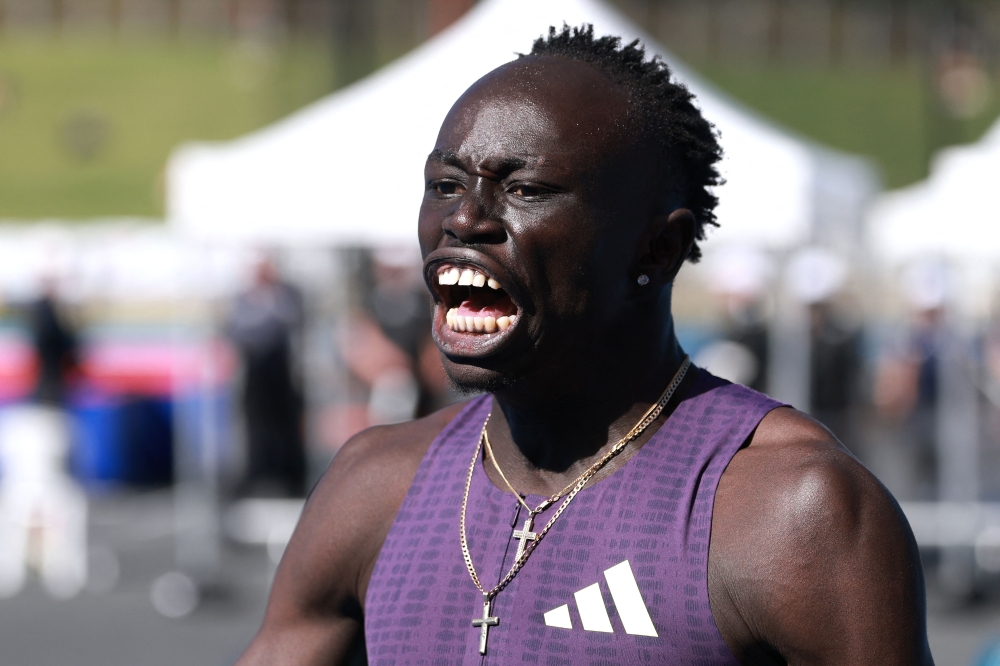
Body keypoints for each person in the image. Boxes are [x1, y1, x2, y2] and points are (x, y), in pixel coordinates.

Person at [237, 26, 933, 665]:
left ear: (657, 250)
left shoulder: (791, 510)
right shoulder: (373, 486)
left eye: (526, 188)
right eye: (445, 185)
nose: (466, 217)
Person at [227, 257, 306, 498]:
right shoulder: (243, 298)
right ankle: (259, 479)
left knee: (287, 431)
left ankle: (290, 481)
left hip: (284, 377)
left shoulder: (288, 294)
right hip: (256, 378)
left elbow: (292, 320)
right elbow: (238, 329)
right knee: (257, 432)